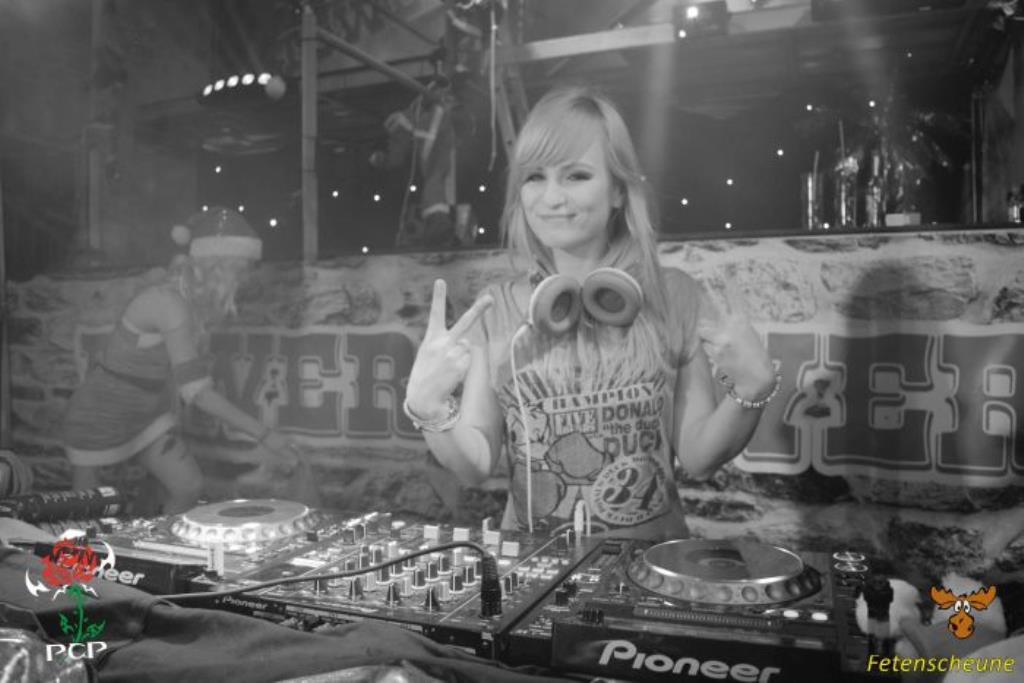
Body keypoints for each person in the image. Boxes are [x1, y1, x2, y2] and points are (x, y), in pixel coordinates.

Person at [403, 86, 779, 540]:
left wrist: (751, 392)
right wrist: (429, 409)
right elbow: (475, 465)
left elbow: (699, 456)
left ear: (618, 190)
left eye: (576, 176)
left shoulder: (674, 295)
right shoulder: (496, 307)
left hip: (648, 564)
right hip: (534, 564)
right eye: (534, 177)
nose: (551, 197)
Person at [62, 207, 301, 515]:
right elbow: (197, 392)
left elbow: (174, 376)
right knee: (86, 511)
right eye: (240, 270)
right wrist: (265, 435)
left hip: (148, 415)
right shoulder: (169, 304)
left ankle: (161, 541)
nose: (245, 279)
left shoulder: (191, 302)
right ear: (217, 267)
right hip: (101, 414)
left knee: (187, 487)